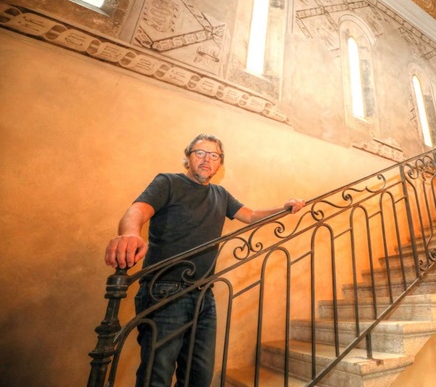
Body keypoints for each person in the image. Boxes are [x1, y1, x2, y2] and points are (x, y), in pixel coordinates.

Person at [104, 133, 305, 387]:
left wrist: (284, 208)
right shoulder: (168, 182)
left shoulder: (221, 194)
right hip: (164, 291)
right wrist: (130, 234)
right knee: (157, 376)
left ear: (219, 164)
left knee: (199, 376)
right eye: (200, 153)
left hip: (203, 295)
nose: (206, 159)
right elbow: (137, 210)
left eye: (214, 155)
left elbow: (252, 215)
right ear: (188, 158)